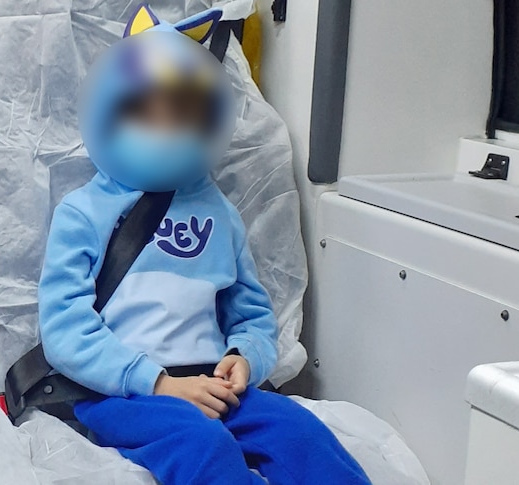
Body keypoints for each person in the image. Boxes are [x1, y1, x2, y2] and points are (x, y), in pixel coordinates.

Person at [38, 4, 371, 484]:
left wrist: (244, 358)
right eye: (147, 114)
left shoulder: (220, 214)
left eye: (184, 117)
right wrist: (158, 383)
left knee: (302, 434)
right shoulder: (82, 213)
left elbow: (252, 314)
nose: (167, 132)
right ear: (109, 114)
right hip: (123, 392)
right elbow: (64, 330)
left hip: (215, 383)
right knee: (202, 445)